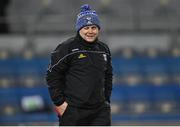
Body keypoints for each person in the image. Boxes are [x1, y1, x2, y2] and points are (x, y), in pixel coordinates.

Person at [46, 4, 113, 126]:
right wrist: (60, 103)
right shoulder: (66, 48)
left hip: (100, 111)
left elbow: (108, 75)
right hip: (73, 110)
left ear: (98, 29)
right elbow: (52, 76)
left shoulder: (104, 49)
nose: (90, 31)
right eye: (86, 28)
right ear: (79, 28)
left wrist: (106, 100)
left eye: (94, 27)